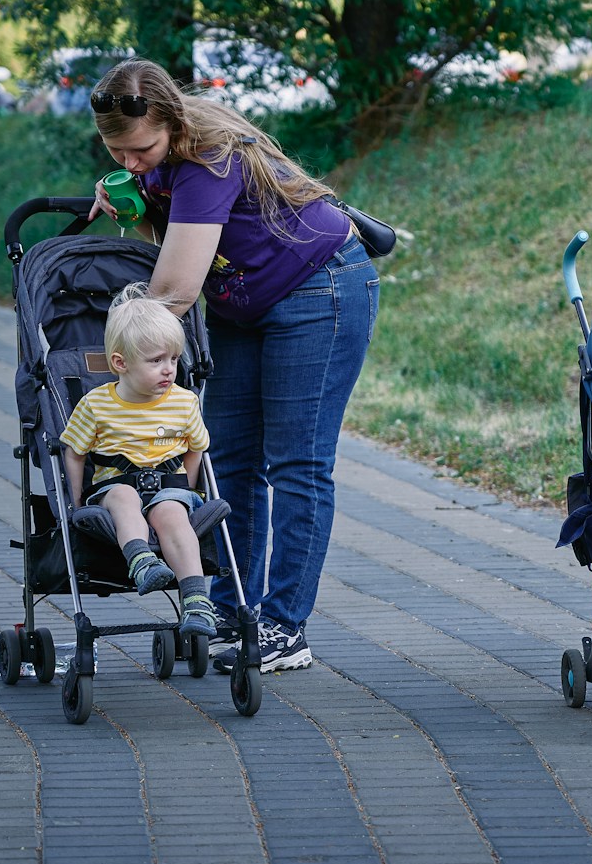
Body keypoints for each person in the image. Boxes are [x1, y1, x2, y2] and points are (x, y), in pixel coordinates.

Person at [87, 58, 378, 673]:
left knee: (297, 461)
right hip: (244, 304)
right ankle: (232, 606)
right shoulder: (160, 162)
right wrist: (133, 205)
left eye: (141, 150)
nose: (130, 162)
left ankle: (284, 627)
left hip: (318, 289)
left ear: (170, 122)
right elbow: (167, 243)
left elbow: (174, 289)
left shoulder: (208, 157)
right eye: (117, 153)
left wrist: (122, 358)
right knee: (231, 457)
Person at [60, 283, 217, 636]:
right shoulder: (96, 405)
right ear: (120, 363)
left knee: (174, 515)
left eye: (174, 359)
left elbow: (195, 448)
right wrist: (72, 500)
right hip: (115, 486)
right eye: (156, 360)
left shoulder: (183, 402)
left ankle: (196, 603)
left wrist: (185, 490)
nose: (168, 370)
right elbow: (75, 452)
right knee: (123, 497)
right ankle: (142, 561)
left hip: (168, 486)